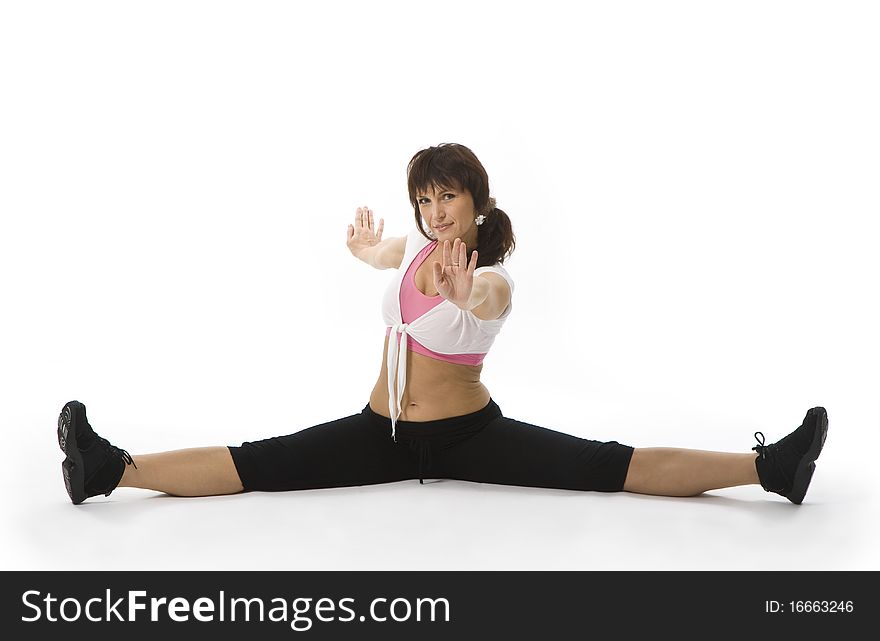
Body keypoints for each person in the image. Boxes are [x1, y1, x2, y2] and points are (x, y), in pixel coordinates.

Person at [56, 143, 828, 507]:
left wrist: (465, 297)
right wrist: (367, 251)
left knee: (607, 464)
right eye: (425, 199)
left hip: (470, 435)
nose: (433, 212)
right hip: (380, 429)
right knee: (260, 462)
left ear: (477, 203)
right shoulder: (416, 246)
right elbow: (389, 255)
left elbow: (489, 304)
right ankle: (109, 469)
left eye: (447, 199)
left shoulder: (489, 274)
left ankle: (768, 469)